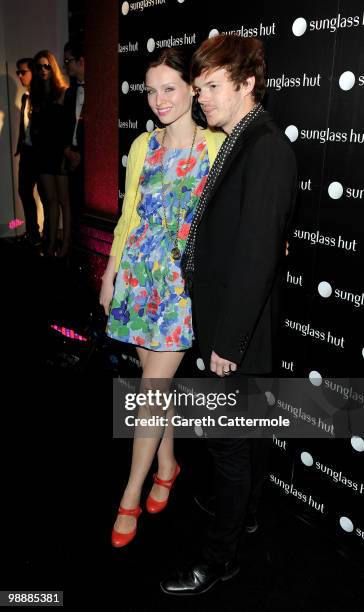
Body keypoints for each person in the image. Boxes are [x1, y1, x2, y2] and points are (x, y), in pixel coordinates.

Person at [160, 35, 297, 596]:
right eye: (199, 87)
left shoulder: (265, 148)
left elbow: (257, 256)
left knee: (226, 445)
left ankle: (219, 559)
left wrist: (227, 343)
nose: (203, 99)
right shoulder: (236, 140)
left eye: (213, 87)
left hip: (232, 332)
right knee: (242, 443)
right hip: (224, 322)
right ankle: (243, 515)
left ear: (247, 85)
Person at [99, 48, 225, 548]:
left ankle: (129, 496)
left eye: (168, 88)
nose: (158, 100)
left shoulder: (216, 147)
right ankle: (168, 465)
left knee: (150, 394)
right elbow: (128, 216)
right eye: (150, 91)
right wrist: (110, 273)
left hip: (178, 288)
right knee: (156, 387)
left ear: (192, 89)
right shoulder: (142, 145)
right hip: (136, 278)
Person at [30, 50, 69, 257]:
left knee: (64, 201)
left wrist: (67, 153)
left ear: (52, 67)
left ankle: (65, 246)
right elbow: (36, 130)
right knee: (50, 201)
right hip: (43, 154)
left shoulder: (62, 91)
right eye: (39, 67)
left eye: (47, 66)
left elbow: (65, 127)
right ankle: (52, 243)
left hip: (60, 152)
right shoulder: (36, 95)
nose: (43, 70)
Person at [15, 57, 43, 246]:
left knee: (46, 195)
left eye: (23, 72)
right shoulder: (26, 98)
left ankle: (43, 235)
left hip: (40, 154)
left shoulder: (42, 98)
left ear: (33, 72)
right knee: (24, 191)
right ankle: (32, 232)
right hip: (27, 153)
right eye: (18, 72)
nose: (20, 76)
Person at [63, 39, 85, 243]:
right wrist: (67, 151)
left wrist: (83, 155)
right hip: (71, 154)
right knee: (72, 203)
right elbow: (65, 126)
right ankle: (73, 246)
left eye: (68, 60)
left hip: (91, 159)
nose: (66, 65)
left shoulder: (99, 91)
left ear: (81, 61)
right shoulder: (69, 93)